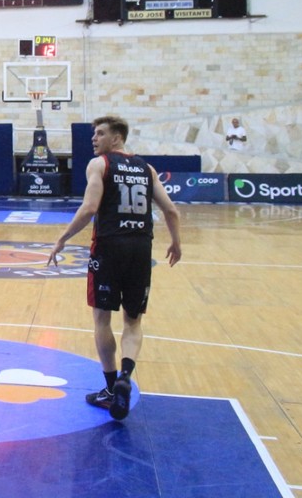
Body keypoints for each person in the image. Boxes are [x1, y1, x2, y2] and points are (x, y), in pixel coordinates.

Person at [48, 116, 182, 421]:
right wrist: (176, 243)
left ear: (117, 138)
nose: (94, 139)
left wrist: (62, 238)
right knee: (133, 321)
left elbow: (90, 208)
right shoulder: (147, 169)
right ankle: (126, 375)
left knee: (101, 319)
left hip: (108, 248)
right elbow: (171, 210)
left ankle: (110, 387)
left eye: (100, 134)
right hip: (140, 249)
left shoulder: (99, 165)